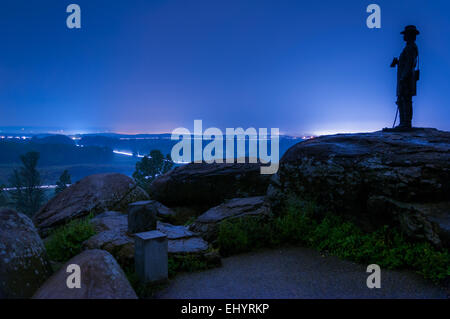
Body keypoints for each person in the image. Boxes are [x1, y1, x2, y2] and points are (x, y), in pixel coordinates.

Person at [390, 25, 420, 130]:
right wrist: (398, 62)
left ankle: (406, 123)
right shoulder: (408, 47)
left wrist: (403, 77)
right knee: (401, 98)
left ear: (410, 35)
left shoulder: (411, 47)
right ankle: (403, 122)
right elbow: (406, 62)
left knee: (405, 99)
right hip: (403, 77)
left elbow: (410, 63)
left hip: (406, 78)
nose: (404, 36)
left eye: (406, 34)